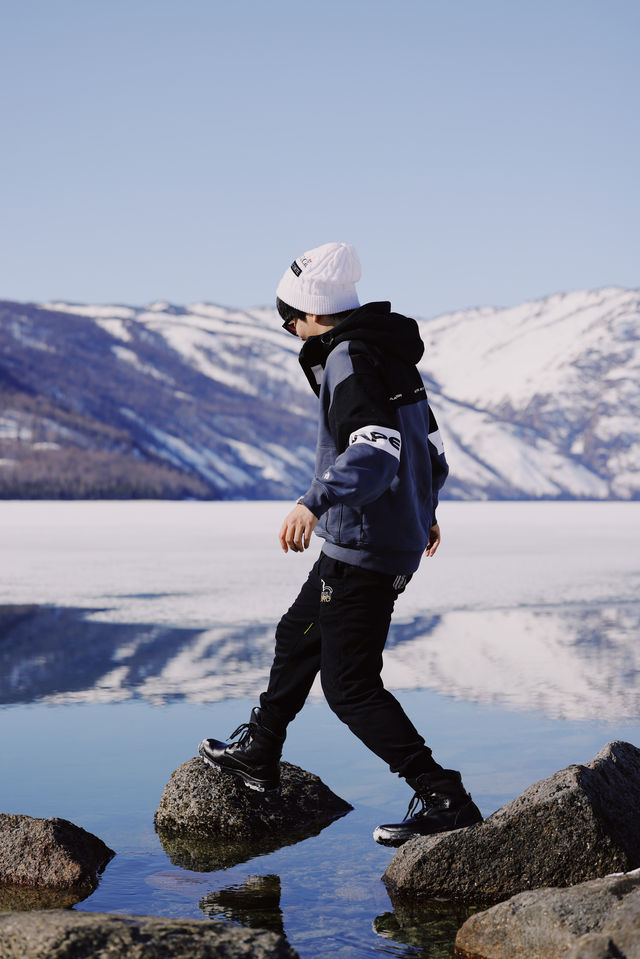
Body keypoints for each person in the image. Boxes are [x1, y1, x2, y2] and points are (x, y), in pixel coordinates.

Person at [199, 241, 482, 846]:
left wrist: (313, 501)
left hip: (365, 543)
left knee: (350, 688)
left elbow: (378, 449)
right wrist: (423, 509)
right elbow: (428, 452)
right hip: (371, 538)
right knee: (298, 633)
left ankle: (444, 797)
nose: (289, 332)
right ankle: (261, 750)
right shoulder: (385, 352)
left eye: (288, 320)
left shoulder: (351, 356)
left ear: (309, 315)